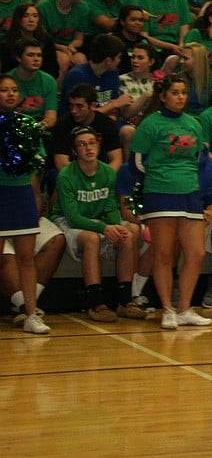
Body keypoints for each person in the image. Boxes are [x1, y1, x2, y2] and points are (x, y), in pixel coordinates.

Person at [130, 74, 212, 330]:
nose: (180, 97)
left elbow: (199, 157)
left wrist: (184, 177)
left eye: (183, 92)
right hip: (160, 193)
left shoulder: (194, 124)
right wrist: (162, 176)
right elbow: (136, 162)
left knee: (196, 253)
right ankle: (167, 308)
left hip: (190, 193)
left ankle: (185, 308)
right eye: (175, 92)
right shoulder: (149, 124)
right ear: (163, 95)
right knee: (164, 254)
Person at [52, 124, 146, 323]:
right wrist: (104, 228)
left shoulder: (109, 173)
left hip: (98, 219)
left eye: (92, 143)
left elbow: (111, 206)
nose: (88, 148)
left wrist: (115, 226)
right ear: (74, 151)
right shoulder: (66, 176)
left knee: (127, 234)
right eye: (82, 144)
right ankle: (96, 303)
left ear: (98, 145)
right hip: (68, 222)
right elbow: (73, 218)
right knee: (92, 238)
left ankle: (124, 301)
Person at [0, 73, 48, 333]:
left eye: (14, 89)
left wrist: (35, 198)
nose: (10, 94)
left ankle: (31, 314)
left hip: (21, 195)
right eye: (4, 89)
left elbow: (36, 163)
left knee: (26, 257)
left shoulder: (28, 124)